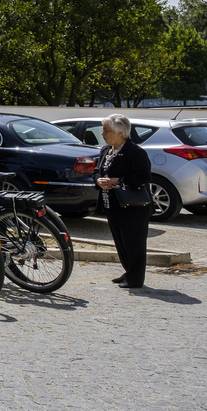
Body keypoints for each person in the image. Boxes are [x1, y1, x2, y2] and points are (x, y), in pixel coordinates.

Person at [95, 114, 153, 289]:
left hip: (133, 206)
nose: (103, 133)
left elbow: (143, 176)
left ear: (121, 133)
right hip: (112, 203)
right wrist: (98, 181)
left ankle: (136, 279)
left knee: (134, 242)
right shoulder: (106, 150)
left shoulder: (135, 152)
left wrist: (117, 181)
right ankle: (128, 271)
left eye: (107, 130)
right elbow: (97, 171)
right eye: (103, 129)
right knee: (120, 240)